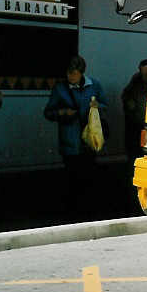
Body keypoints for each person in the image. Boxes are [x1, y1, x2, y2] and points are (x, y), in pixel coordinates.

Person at [44, 55, 107, 212]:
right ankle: (73, 209)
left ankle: (89, 207)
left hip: (90, 140)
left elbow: (105, 105)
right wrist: (62, 112)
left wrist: (97, 106)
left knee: (89, 174)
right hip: (69, 142)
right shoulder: (60, 89)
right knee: (72, 176)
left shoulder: (94, 85)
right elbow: (48, 112)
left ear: (81, 73)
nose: (69, 76)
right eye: (68, 72)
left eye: (73, 73)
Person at [121, 59, 147, 169]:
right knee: (134, 152)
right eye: (143, 74)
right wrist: (128, 102)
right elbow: (125, 95)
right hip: (135, 124)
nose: (145, 77)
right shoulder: (136, 80)